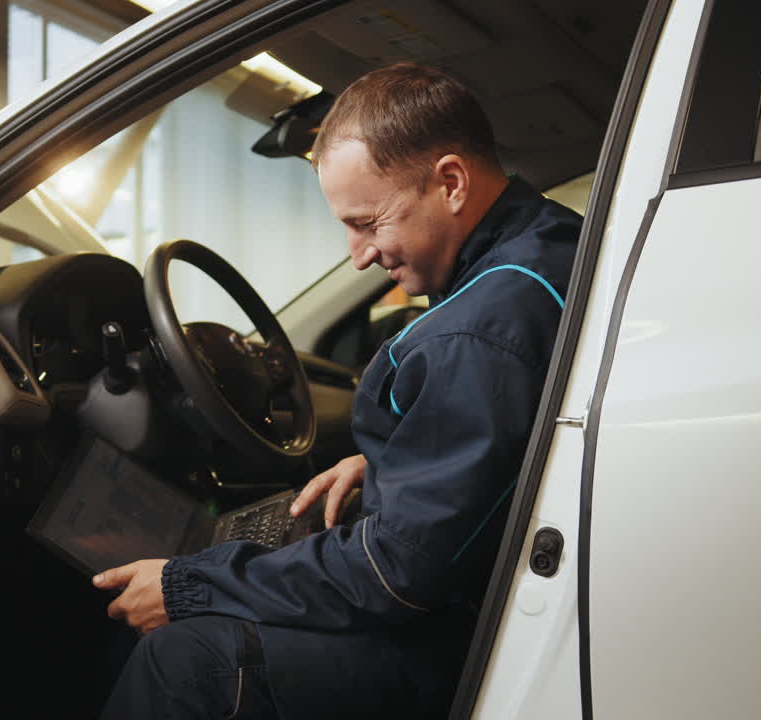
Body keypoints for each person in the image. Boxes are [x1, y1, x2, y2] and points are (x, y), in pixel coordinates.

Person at [92, 62, 582, 719]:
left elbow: (394, 575)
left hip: (470, 636)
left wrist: (187, 585)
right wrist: (394, 460)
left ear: (452, 182)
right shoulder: (546, 244)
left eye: (368, 222)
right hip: (485, 586)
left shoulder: (476, 330)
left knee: (183, 659)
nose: (357, 255)